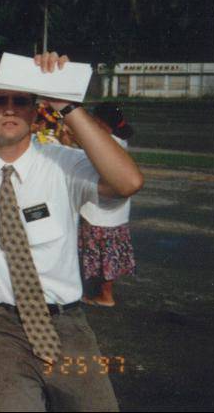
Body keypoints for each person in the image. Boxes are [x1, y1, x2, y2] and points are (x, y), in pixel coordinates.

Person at [0, 52, 144, 412]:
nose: (9, 110)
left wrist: (64, 101)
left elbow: (128, 182)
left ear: (35, 112)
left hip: (68, 327)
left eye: (21, 101)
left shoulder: (62, 164)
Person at [79, 103, 137, 307]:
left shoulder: (107, 144)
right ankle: (102, 293)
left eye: (95, 121)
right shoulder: (120, 140)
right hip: (116, 212)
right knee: (108, 254)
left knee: (100, 254)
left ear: (102, 124)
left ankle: (104, 296)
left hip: (101, 210)